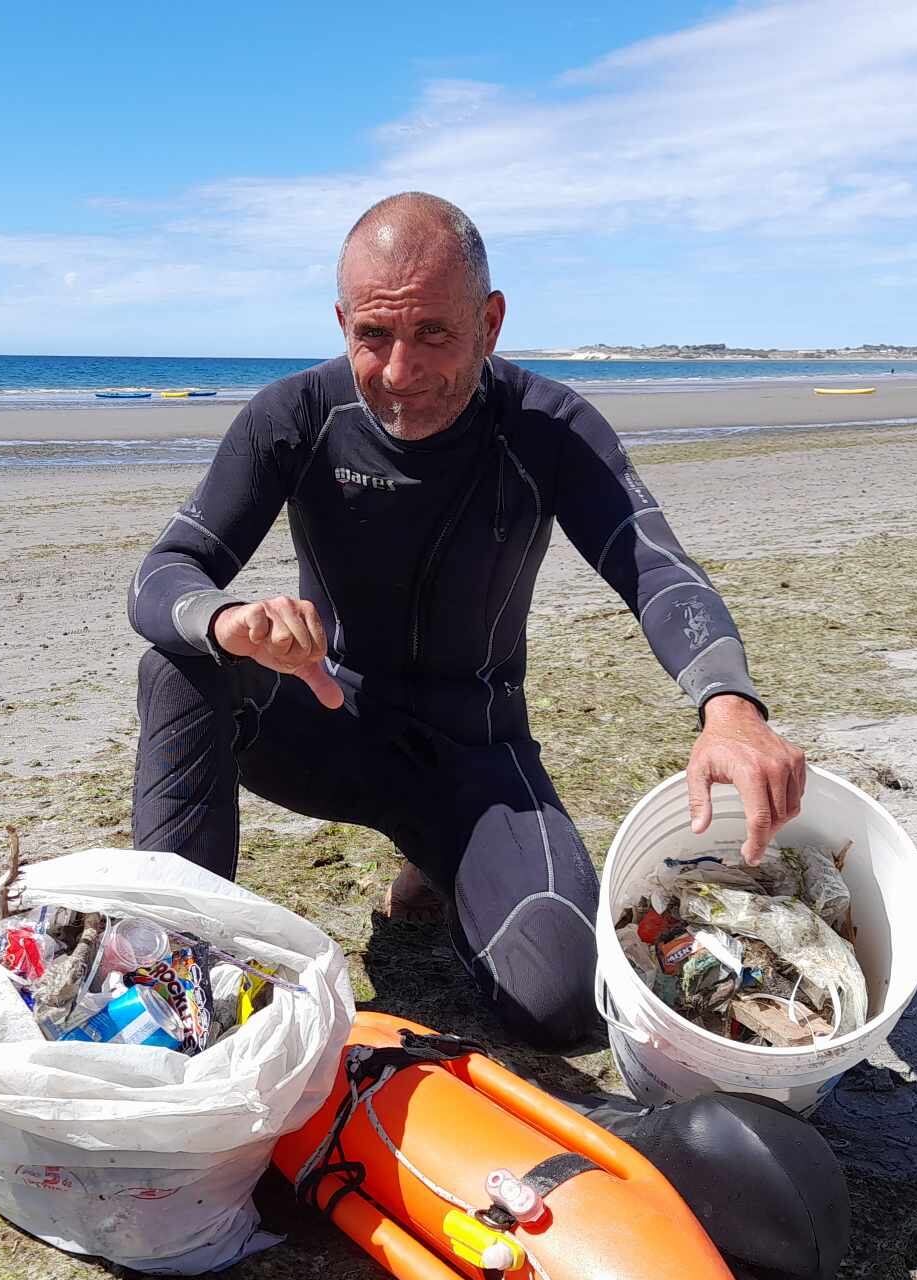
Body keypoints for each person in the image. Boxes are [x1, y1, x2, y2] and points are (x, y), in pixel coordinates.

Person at [126, 192, 806, 1049]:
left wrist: (730, 705)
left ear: (490, 321)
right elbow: (163, 575)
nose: (400, 372)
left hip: (475, 753)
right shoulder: (294, 417)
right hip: (329, 723)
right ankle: (173, 968)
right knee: (179, 663)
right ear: (341, 321)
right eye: (373, 336)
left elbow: (654, 565)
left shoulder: (549, 427)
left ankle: (439, 859)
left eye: (434, 335)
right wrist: (227, 618)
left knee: (563, 1007)